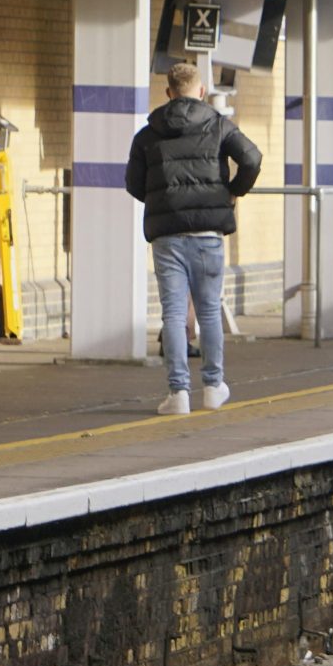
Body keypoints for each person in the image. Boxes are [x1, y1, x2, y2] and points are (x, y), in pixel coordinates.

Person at [125, 62, 261, 414]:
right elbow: (252, 158)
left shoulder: (147, 134)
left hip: (167, 236)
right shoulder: (218, 125)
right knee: (209, 311)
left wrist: (161, 201)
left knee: (172, 313)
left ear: (169, 92)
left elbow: (133, 183)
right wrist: (232, 192)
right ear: (201, 91)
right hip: (207, 233)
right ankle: (214, 387)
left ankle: (179, 394)